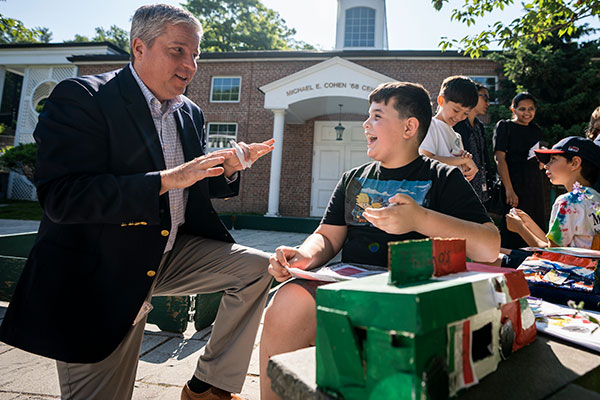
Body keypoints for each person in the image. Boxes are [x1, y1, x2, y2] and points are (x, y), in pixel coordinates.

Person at [0, 5, 274, 400]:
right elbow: (65, 199)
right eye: (178, 51)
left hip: (168, 255)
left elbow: (190, 190)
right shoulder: (81, 98)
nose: (190, 65)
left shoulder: (190, 113)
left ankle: (207, 388)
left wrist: (225, 168)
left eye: (196, 54)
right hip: (99, 273)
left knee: (260, 268)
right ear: (139, 47)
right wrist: (170, 178)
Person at [259, 82, 500, 400]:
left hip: (412, 291)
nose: (365, 124)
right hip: (348, 285)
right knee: (286, 301)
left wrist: (420, 219)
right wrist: (301, 257)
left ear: (409, 127)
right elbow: (327, 238)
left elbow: (490, 246)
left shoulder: (443, 177)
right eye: (367, 116)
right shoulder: (353, 179)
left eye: (376, 116)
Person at [505, 136, 600, 249]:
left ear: (575, 163)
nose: (546, 165)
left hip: (571, 266)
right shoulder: (595, 198)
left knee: (498, 255)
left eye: (553, 159)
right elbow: (553, 244)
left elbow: (552, 253)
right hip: (591, 266)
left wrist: (520, 229)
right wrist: (529, 224)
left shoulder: (568, 201)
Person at [493, 92, 546, 249]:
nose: (527, 113)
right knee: (513, 228)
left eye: (531, 109)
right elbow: (499, 159)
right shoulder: (504, 126)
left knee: (536, 224)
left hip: (534, 184)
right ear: (513, 109)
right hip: (514, 183)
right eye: (522, 109)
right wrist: (509, 189)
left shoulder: (536, 129)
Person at [419, 75, 479, 182]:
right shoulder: (431, 125)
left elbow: (455, 166)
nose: (459, 117)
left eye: (466, 113)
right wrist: (462, 160)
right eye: (456, 110)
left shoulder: (457, 136)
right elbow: (425, 160)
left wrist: (465, 165)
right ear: (441, 100)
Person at [453, 82, 494, 203]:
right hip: (463, 188)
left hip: (481, 189)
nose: (488, 103)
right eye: (484, 97)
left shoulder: (479, 126)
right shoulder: (457, 124)